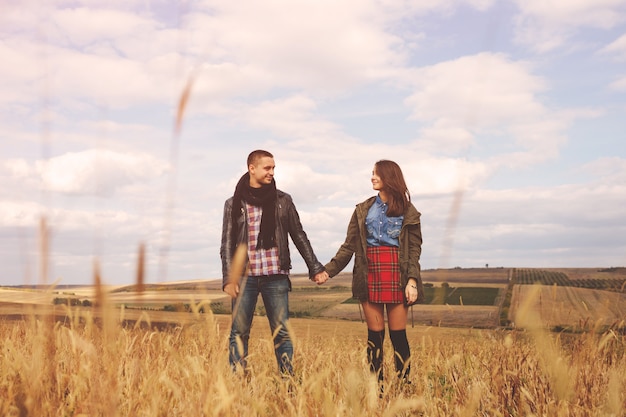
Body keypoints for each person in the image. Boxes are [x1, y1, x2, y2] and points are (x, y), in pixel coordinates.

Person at [220, 149, 328, 376]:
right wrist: (229, 278)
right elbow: (227, 244)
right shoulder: (234, 203)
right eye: (267, 168)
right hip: (244, 277)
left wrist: (315, 267)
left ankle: (288, 382)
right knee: (239, 332)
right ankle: (238, 383)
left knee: (282, 333)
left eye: (273, 168)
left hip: (275, 275)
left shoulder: (283, 200)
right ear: (252, 168)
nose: (271, 172)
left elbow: (298, 234)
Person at [318, 159, 423, 387]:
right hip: (369, 273)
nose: (372, 177)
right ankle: (378, 388)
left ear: (389, 177)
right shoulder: (362, 210)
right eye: (372, 174)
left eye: (376, 174)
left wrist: (412, 281)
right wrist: (328, 271)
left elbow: (414, 249)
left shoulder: (409, 211)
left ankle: (404, 387)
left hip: (398, 274)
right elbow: (349, 246)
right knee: (375, 337)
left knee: (398, 336)